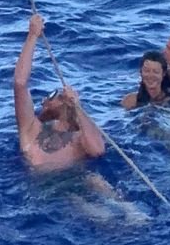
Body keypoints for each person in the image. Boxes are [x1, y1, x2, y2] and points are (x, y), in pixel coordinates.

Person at [13, 15, 106, 173]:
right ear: (46, 107)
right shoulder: (32, 130)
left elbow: (97, 150)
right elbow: (20, 83)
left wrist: (78, 108)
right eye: (52, 95)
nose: (59, 94)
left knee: (98, 184)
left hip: (76, 182)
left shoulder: (78, 138)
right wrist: (32, 36)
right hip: (44, 189)